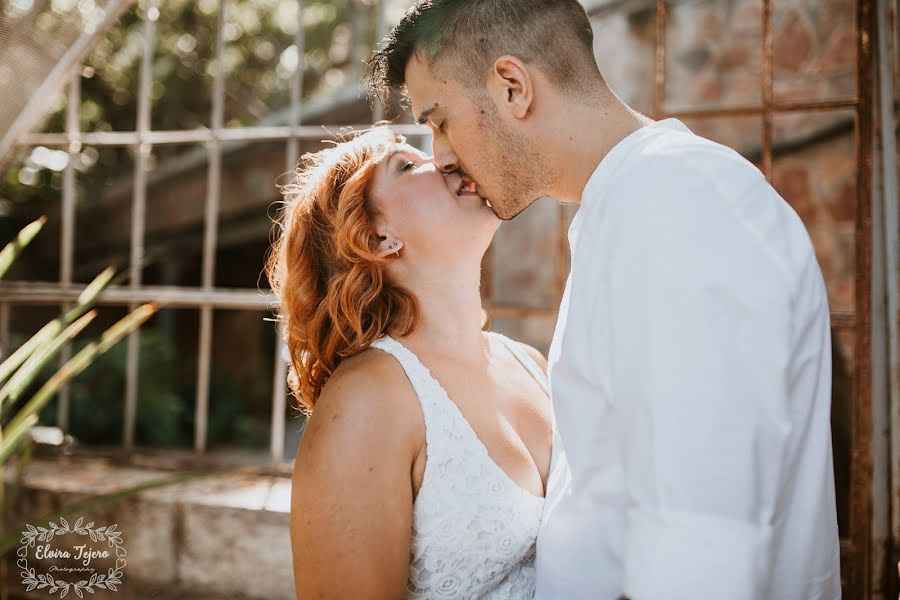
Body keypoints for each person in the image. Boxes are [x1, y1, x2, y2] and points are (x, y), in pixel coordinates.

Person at [366, 1, 841, 598]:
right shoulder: (627, 207)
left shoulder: (674, 203)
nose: (441, 157)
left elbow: (702, 545)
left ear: (512, 87)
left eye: (440, 121)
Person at [266, 127, 567, 599]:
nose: (446, 161)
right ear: (378, 237)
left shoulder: (529, 363)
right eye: (406, 165)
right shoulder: (369, 400)